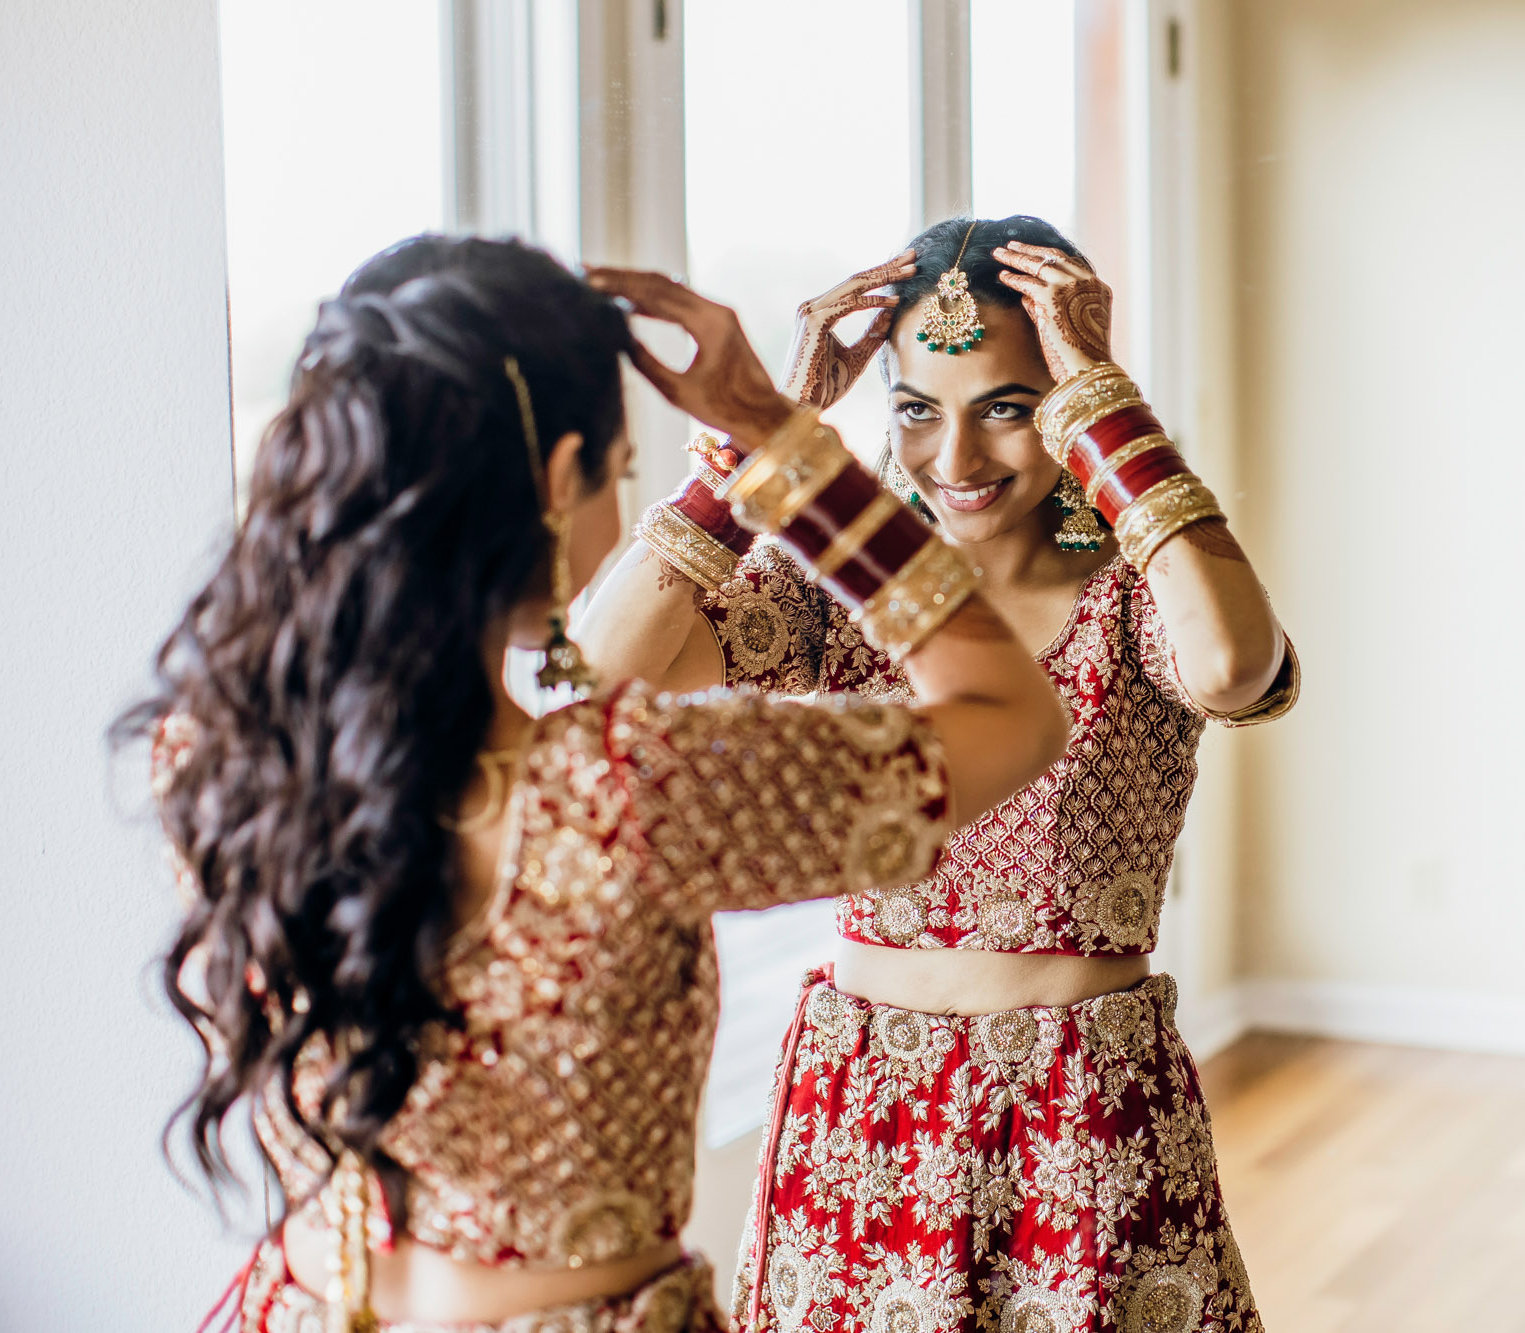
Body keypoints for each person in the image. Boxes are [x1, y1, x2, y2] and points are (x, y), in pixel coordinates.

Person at [124, 233, 1067, 1333]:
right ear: (562, 477)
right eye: (619, 474)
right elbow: (1010, 711)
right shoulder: (635, 787)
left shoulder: (212, 754)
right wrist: (780, 441)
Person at [578, 215, 1298, 1333]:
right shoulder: (847, 587)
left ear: (1061, 398)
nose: (954, 461)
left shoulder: (1131, 593)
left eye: (1006, 408)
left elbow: (1233, 661)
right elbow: (608, 669)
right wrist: (766, 431)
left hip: (1081, 1112)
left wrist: (1104, 403)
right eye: (916, 411)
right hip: (861, 1110)